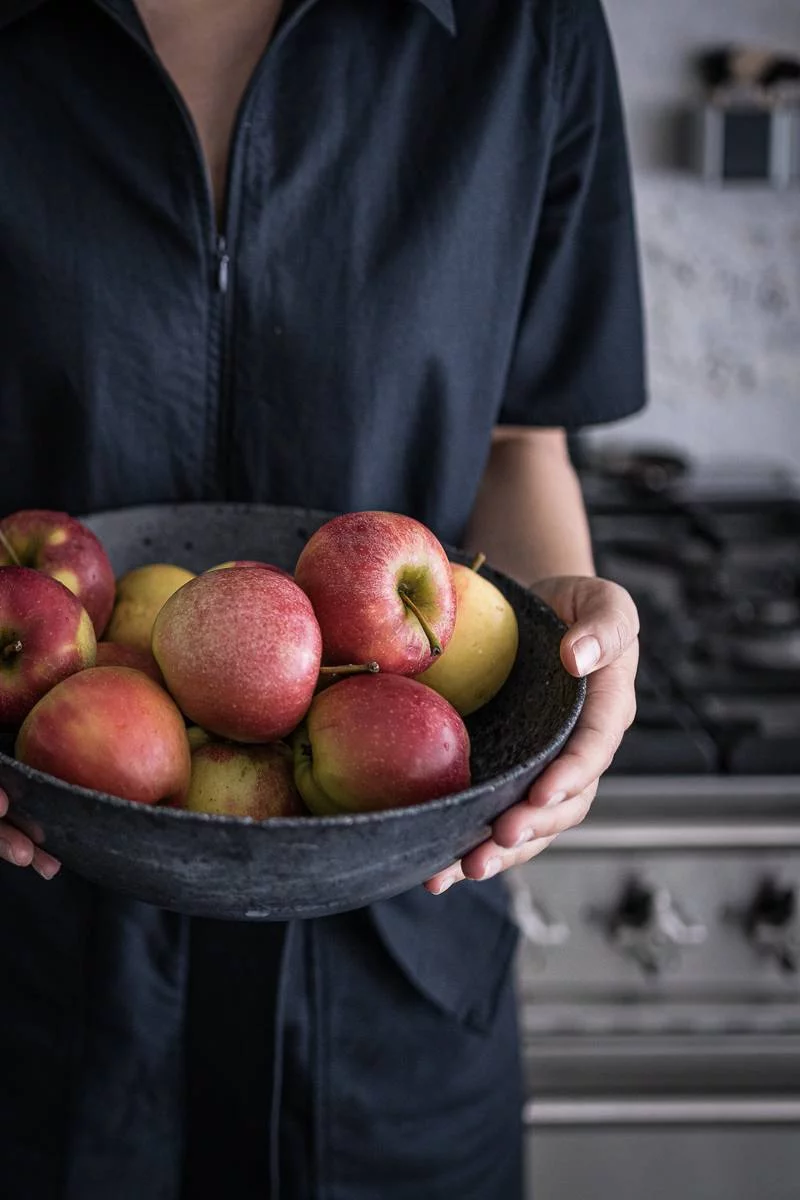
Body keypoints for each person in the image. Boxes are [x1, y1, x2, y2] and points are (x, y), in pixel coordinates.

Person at [0, 1, 643, 1196]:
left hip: (401, 955)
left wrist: (562, 654)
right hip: (33, 950)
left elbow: (518, 442)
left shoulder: (524, 29)